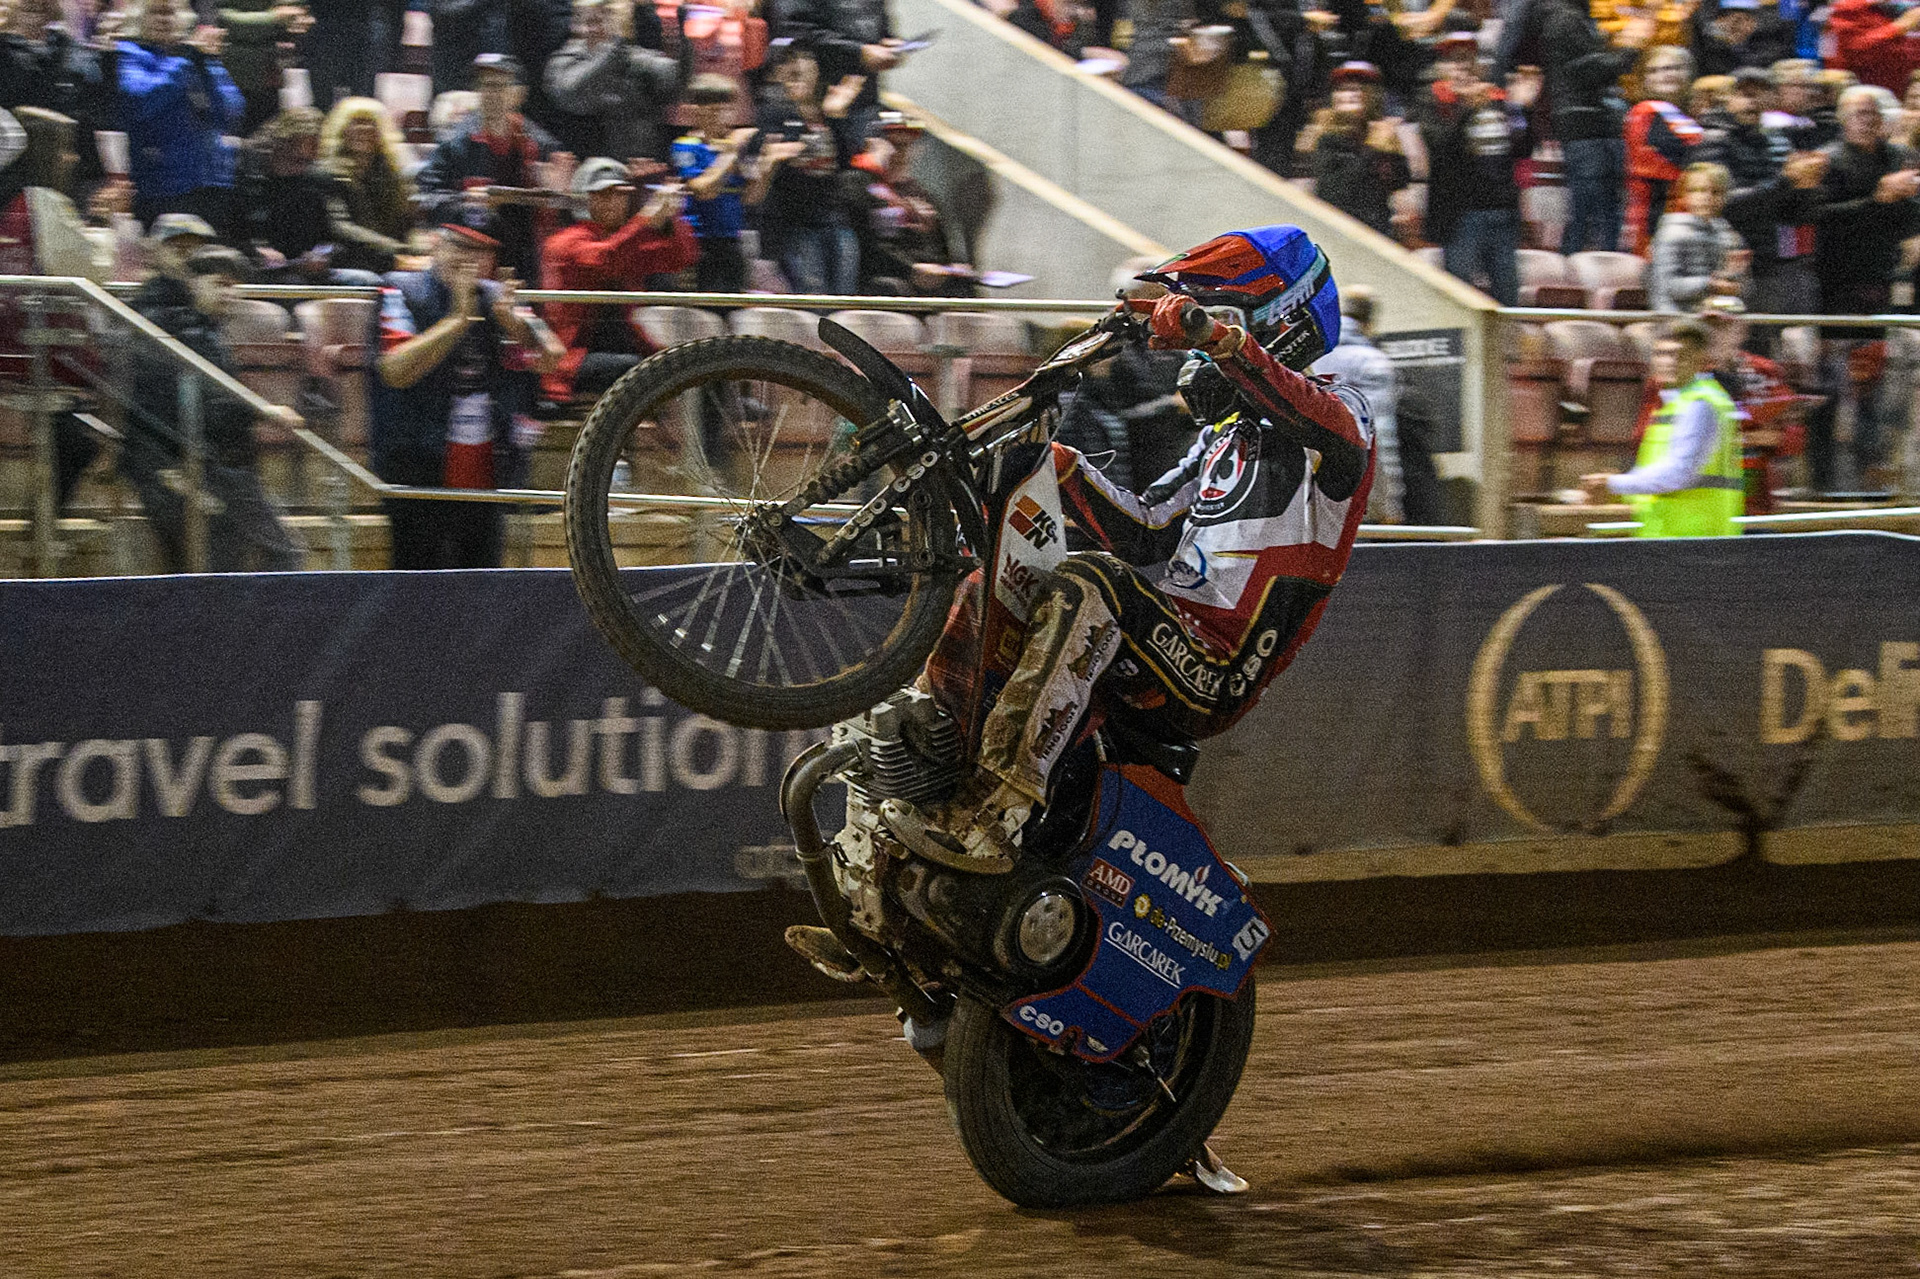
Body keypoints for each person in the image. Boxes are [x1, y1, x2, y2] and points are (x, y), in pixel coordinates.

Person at [890, 225, 1374, 871]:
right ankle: (913, 771)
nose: (1195, 358)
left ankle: (995, 810)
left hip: (1217, 664)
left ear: (1284, 322)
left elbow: (1309, 409)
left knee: (1094, 584)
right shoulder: (1221, 440)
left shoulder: (1345, 415)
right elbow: (1144, 524)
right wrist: (1055, 468)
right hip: (1160, 634)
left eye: (1224, 320)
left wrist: (1218, 341)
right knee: (998, 581)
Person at [371, 217, 563, 569]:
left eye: (481, 252)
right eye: (460, 247)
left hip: (486, 468)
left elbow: (552, 356)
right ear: (435, 245)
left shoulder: (494, 296)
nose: (470, 260)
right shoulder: (400, 288)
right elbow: (394, 370)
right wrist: (457, 319)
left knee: (482, 581)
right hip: (419, 462)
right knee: (419, 580)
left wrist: (515, 325)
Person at [123, 244, 307, 570]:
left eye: (234, 286)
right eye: (219, 283)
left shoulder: (205, 330)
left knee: (231, 554)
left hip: (210, 463)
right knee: (261, 551)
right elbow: (205, 404)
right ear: (193, 282)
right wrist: (261, 411)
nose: (230, 293)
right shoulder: (177, 328)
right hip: (177, 461)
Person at [1806, 83, 1920, 491]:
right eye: (1860, 114)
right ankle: (1823, 483)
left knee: (1874, 387)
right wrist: (1878, 198)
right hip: (1835, 287)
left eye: (1874, 114)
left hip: (1880, 285)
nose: (1869, 121)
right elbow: (1821, 217)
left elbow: (1908, 215)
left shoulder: (1895, 157)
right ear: (1842, 120)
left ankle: (1870, 479)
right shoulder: (1831, 160)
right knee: (1832, 388)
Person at [538, 155, 697, 403]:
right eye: (603, 194)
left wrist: (671, 217)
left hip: (625, 353)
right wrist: (648, 217)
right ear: (583, 197)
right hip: (574, 363)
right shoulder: (565, 242)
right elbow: (607, 260)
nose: (614, 202)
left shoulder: (627, 239)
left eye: (621, 194)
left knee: (692, 365)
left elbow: (682, 256)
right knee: (646, 371)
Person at [413, 52, 567, 283]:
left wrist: (558, 195)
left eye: (499, 86)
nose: (491, 94)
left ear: (518, 94)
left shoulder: (540, 144)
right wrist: (468, 203)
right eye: (485, 86)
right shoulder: (454, 144)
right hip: (472, 256)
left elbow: (564, 203)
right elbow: (427, 198)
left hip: (525, 257)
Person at [1581, 319, 1743, 536]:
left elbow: (1679, 472)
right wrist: (1618, 487)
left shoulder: (1702, 403)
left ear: (1700, 360)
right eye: (1661, 354)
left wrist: (1614, 484)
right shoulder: (1671, 404)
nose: (1670, 361)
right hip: (1672, 537)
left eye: (1680, 355)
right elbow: (1657, 471)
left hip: (1698, 538)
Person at [1697, 65, 1826, 323]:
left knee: (1766, 345)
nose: (1751, 100)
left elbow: (1791, 215)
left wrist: (1807, 187)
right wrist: (1786, 181)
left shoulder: (1777, 142)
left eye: (1759, 93)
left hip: (1767, 260)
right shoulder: (1713, 140)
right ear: (1728, 98)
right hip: (1722, 261)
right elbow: (1725, 203)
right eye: (1743, 93)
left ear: (1771, 99)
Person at [1420, 43, 1538, 305]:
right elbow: (1440, 149)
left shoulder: (1498, 102)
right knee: (1460, 298)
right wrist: (1467, 109)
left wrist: (1524, 109)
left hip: (1502, 213)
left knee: (1507, 295)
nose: (1463, 67)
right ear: (1442, 68)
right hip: (1460, 216)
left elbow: (1523, 149)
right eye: (1454, 61)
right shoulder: (1432, 102)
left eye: (1468, 60)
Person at [116, 0, 246, 228]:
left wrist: (208, 63)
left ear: (183, 18)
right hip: (162, 186)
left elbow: (231, 110)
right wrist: (185, 62)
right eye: (156, 12)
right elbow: (142, 101)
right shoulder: (132, 54)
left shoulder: (194, 55)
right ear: (140, 18)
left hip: (209, 184)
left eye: (170, 12)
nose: (163, 19)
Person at [1541, 0, 1652, 253]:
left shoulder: (1579, 17)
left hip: (1596, 127)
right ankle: (1573, 283)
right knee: (1589, 213)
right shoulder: (1564, 18)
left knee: (1605, 213)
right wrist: (1628, 49)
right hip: (1583, 129)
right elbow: (1589, 72)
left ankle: (1604, 276)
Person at [755, 42, 862, 294]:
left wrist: (837, 116)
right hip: (797, 226)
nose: (797, 66)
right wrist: (780, 154)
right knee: (815, 300)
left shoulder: (829, 113)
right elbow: (769, 158)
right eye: (789, 65)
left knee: (845, 301)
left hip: (836, 222)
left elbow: (845, 163)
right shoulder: (774, 114)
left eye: (803, 60)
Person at [671, 71, 779, 293]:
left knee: (734, 310)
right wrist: (730, 153)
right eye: (715, 110)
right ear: (696, 111)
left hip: (732, 242)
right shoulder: (687, 146)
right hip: (699, 244)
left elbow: (750, 198)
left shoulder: (731, 147)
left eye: (728, 109)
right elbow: (704, 190)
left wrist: (769, 164)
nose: (723, 117)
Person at [543, 0, 683, 163]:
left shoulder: (637, 58)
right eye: (592, 21)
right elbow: (575, 91)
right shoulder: (564, 61)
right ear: (576, 24)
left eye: (607, 18)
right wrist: (619, 43)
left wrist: (684, 37)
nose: (599, 28)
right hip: (585, 171)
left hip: (638, 168)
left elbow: (677, 85)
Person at [849, 111, 972, 295]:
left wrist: (952, 267)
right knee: (893, 290)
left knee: (964, 290)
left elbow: (942, 243)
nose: (902, 153)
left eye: (908, 145)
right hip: (889, 277)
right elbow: (868, 245)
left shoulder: (920, 193)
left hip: (930, 276)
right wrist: (911, 269)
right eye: (895, 144)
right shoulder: (859, 184)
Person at [1312, 285, 1403, 521]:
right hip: (1356, 497)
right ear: (1370, 322)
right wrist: (1389, 503)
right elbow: (1379, 434)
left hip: (1309, 497)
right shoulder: (1371, 362)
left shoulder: (1312, 356)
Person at [1308, 60, 1410, 239]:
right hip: (1337, 230)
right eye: (1342, 89)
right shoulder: (1327, 137)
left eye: (1356, 89)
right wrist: (1372, 149)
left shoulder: (1381, 131)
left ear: (1372, 96)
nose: (1349, 95)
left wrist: (1393, 150)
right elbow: (1334, 190)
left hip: (1377, 229)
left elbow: (1401, 181)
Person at [317, 96, 416, 274]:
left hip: (389, 259)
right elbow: (341, 229)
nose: (364, 129)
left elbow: (406, 222)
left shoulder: (392, 175)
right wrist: (398, 250)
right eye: (356, 122)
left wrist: (418, 249)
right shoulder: (327, 174)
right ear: (342, 129)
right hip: (346, 260)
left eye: (371, 123)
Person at [1624, 45, 1705, 253]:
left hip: (1686, 209)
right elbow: (1668, 154)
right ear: (1643, 79)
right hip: (1655, 212)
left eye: (1672, 68)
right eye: (1654, 70)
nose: (1664, 75)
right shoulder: (1645, 111)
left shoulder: (1683, 115)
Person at [1647, 161, 1749, 310]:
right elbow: (1669, 286)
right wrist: (1710, 284)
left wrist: (1734, 275)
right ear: (1685, 195)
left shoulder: (1727, 234)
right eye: (1698, 190)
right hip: (1675, 315)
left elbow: (1742, 290)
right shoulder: (1671, 232)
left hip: (1714, 314)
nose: (1707, 197)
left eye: (1715, 192)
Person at [1829, 0, 1920, 94]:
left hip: (1911, 88)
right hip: (1872, 93)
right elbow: (1856, 51)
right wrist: (1899, 27)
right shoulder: (1849, 7)